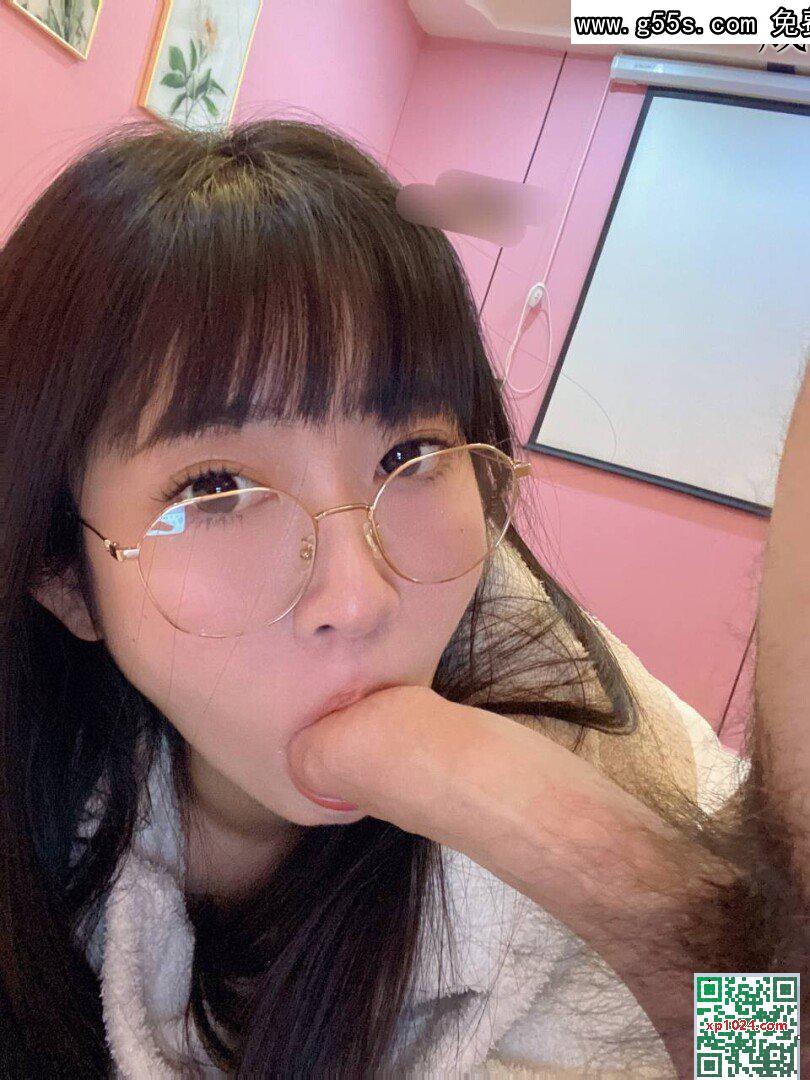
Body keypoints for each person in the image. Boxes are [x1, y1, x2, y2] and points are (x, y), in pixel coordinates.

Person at [0, 115, 797, 1079]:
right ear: (66, 576)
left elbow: (775, 1054)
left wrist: (610, 871)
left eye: (410, 453)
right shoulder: (43, 811)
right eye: (215, 488)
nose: (359, 595)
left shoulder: (604, 740)